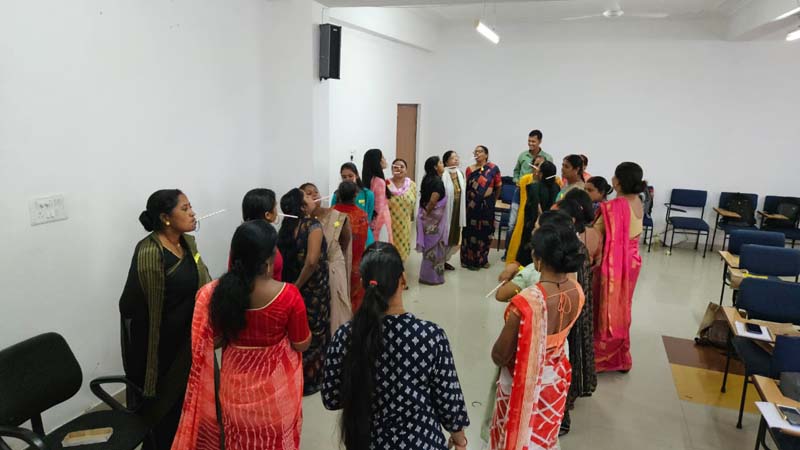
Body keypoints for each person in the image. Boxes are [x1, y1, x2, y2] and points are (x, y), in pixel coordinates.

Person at [170, 221, 310, 450]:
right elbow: (301, 344)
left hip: (235, 394)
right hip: (276, 396)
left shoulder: (218, 293)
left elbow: (215, 340)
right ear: (268, 260)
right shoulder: (289, 296)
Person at [322, 243, 470, 450]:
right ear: (403, 279)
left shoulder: (346, 337)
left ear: (363, 283)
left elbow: (331, 398)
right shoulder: (430, 337)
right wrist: (460, 440)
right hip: (422, 442)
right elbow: (449, 403)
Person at [119, 189, 211, 450]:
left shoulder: (188, 244)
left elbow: (202, 280)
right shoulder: (150, 252)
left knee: (193, 411)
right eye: (185, 208)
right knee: (167, 418)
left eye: (190, 206)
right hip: (162, 353)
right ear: (165, 218)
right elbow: (135, 308)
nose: (192, 213)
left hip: (190, 341)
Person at [488, 212, 585, 450]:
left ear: (539, 261)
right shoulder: (577, 291)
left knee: (516, 435)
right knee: (542, 437)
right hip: (555, 380)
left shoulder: (528, 301)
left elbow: (500, 355)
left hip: (523, 382)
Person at [554, 189, 600, 435]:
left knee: (567, 350)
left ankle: (563, 408)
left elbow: (566, 282)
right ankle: (572, 391)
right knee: (576, 345)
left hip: (570, 304)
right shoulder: (586, 238)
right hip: (579, 299)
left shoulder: (568, 247)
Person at [593, 162, 646, 373]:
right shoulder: (638, 201)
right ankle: (621, 356)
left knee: (607, 305)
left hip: (614, 261)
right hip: (631, 261)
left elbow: (595, 234)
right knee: (623, 305)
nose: (612, 179)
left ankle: (602, 358)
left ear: (619, 182)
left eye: (614, 176)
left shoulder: (615, 206)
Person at [277, 188, 330, 395]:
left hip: (291, 287)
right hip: (313, 288)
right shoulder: (313, 226)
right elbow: (312, 261)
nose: (312, 197)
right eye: (307, 196)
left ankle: (296, 375)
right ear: (302, 207)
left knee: (298, 331)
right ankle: (312, 379)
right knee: (316, 331)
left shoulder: (286, 229)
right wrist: (298, 286)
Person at [302, 182, 353, 335]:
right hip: (313, 272)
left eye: (315, 192)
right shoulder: (302, 221)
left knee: (338, 307)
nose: (314, 195)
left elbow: (345, 242)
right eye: (308, 194)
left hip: (334, 266)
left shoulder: (337, 217)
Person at [507, 130, 553, 261]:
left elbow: (549, 175)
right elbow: (516, 171)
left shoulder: (547, 157)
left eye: (533, 141)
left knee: (529, 223)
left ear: (540, 141)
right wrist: (517, 181)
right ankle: (508, 253)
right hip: (519, 191)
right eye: (529, 141)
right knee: (512, 224)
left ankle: (527, 254)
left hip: (536, 193)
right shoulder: (523, 155)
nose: (530, 143)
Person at [507, 160, 560, 267]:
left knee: (527, 258)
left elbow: (531, 210)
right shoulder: (557, 187)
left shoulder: (533, 187)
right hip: (550, 227)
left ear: (541, 173)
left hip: (533, 226)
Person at [461, 145, 502, 271]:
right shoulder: (469, 169)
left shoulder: (493, 169)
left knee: (486, 232)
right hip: (472, 205)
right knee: (470, 232)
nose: (477, 154)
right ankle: (469, 259)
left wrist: (492, 200)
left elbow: (498, 186)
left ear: (486, 155)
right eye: (475, 152)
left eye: (480, 152)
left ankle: (483, 259)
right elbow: (467, 188)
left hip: (487, 205)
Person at [333, 181, 370, 313]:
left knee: (337, 293)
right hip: (356, 262)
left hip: (335, 262)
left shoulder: (332, 213)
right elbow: (362, 240)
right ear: (355, 195)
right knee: (355, 295)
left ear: (338, 194)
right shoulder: (362, 216)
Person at [417, 156, 449, 285]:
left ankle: (426, 276)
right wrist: (427, 214)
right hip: (433, 221)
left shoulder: (427, 179)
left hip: (428, 219)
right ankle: (432, 278)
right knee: (435, 249)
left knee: (430, 249)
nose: (443, 164)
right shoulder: (437, 182)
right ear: (436, 167)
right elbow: (432, 201)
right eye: (440, 163)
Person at [239, 188, 284, 280]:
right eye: (275, 206)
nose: (277, 211)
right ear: (268, 215)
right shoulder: (266, 242)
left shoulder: (241, 237)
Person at [331, 162, 375, 247]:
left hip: (364, 236)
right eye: (344, 177)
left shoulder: (368, 194)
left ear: (357, 175)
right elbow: (333, 216)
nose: (347, 179)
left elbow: (368, 217)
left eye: (350, 176)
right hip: (342, 237)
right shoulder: (337, 195)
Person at [387, 158, 417, 261]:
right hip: (389, 224)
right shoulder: (386, 184)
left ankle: (400, 267)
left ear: (406, 170)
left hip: (404, 224)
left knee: (402, 252)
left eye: (402, 167)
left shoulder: (412, 185)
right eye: (396, 167)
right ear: (392, 170)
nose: (399, 169)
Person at [442, 150, 466, 271]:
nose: (456, 160)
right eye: (452, 158)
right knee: (444, 234)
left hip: (457, 210)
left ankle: (445, 259)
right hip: (446, 210)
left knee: (454, 236)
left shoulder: (460, 173)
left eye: (457, 157)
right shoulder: (443, 174)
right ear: (446, 162)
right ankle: (439, 260)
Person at [362, 149, 393, 243]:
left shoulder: (369, 180)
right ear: (377, 161)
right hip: (380, 220)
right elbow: (378, 207)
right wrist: (374, 224)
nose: (385, 160)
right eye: (382, 157)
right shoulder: (379, 181)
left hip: (371, 219)